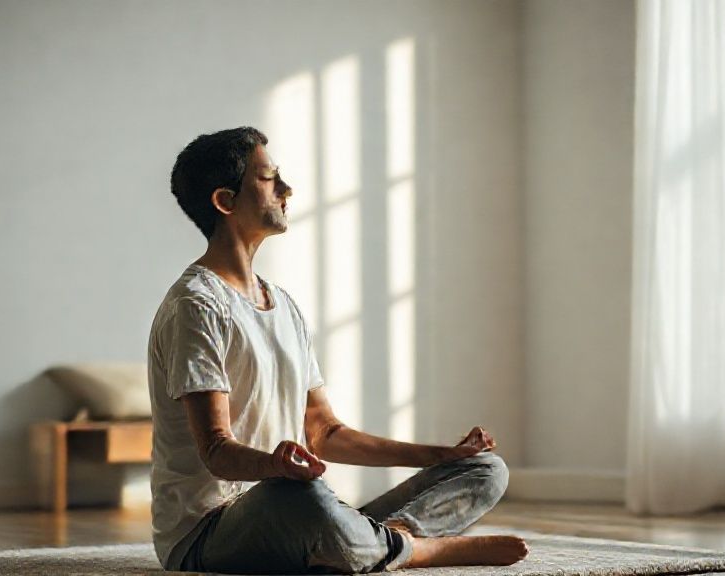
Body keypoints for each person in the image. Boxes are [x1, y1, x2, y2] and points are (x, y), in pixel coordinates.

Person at [147, 127, 529, 573]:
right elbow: (216, 450)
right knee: (301, 498)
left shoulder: (283, 305)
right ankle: (420, 550)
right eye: (270, 178)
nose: (287, 190)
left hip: (292, 511)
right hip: (207, 534)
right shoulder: (196, 306)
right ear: (225, 202)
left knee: (486, 470)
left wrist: (442, 455)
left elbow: (324, 433)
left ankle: (372, 543)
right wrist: (275, 466)